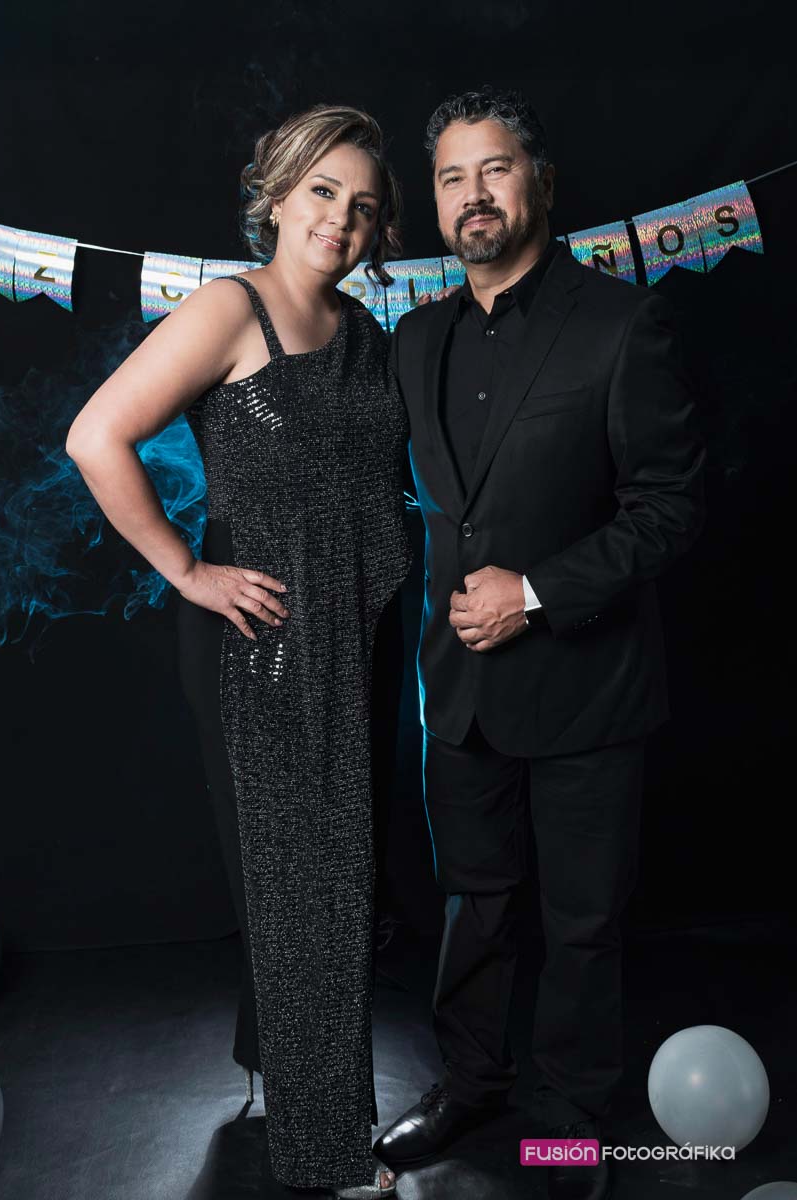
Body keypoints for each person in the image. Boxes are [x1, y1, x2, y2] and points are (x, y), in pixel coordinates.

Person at [65, 104, 412, 1199]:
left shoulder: (366, 333)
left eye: (362, 206)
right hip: (260, 648)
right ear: (278, 195)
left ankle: (277, 1064)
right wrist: (184, 568)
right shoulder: (229, 308)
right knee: (310, 889)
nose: (339, 219)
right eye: (322, 191)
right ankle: (325, 1150)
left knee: (338, 879)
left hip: (358, 641)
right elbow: (95, 435)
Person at [375, 86, 706, 1200]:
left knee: (580, 924)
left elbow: (668, 507)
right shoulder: (413, 338)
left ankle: (564, 1127)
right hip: (459, 691)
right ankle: (470, 1084)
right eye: (450, 177)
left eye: (494, 169)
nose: (472, 195)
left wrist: (535, 591)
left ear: (540, 183)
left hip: (587, 689)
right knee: (471, 904)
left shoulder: (620, 323)